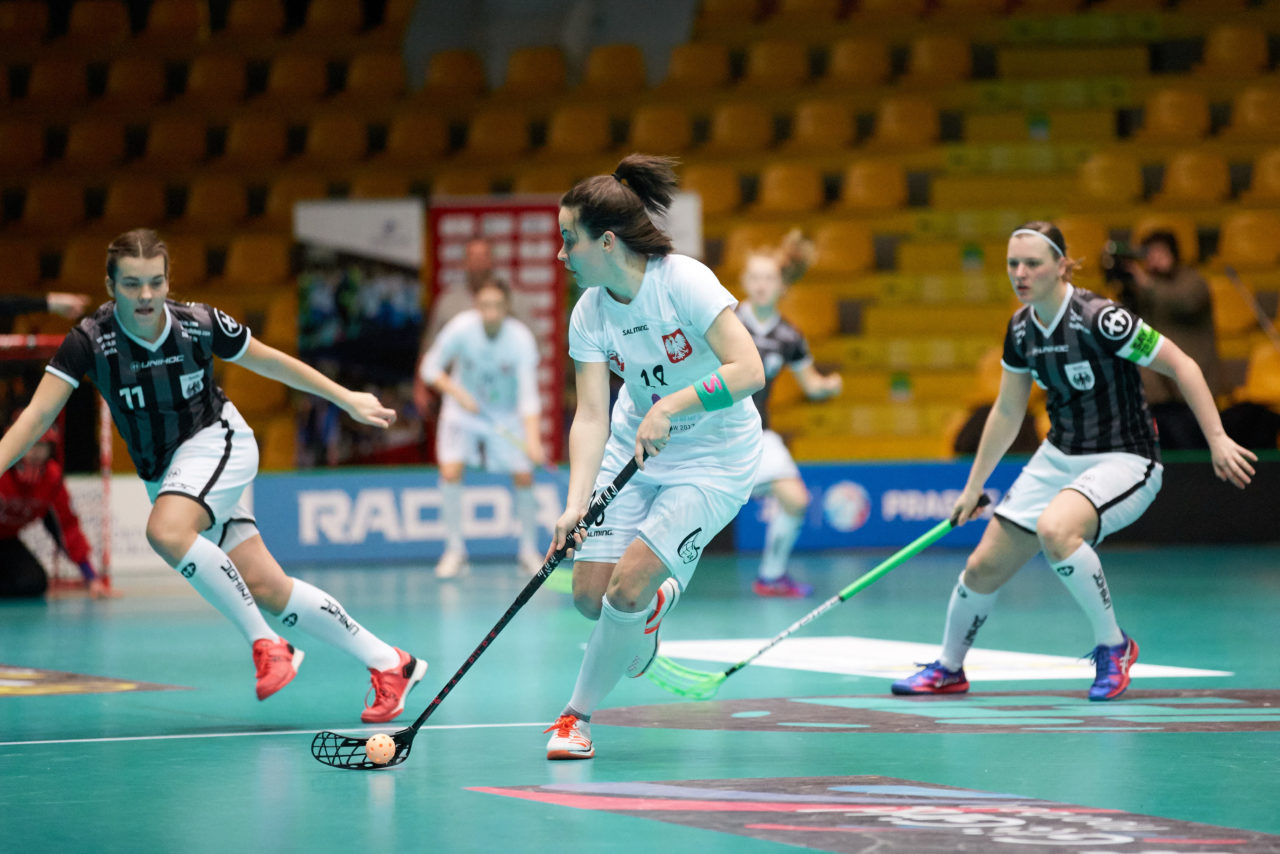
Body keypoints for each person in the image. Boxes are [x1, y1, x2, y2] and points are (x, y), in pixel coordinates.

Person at [0, 229, 427, 722]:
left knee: (166, 531)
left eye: (155, 282)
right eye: (132, 284)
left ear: (168, 282)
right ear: (111, 286)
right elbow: (37, 416)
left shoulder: (198, 324)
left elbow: (271, 361)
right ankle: (391, 663)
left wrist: (345, 397)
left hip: (218, 442)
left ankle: (269, 645)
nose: (145, 295)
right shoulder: (90, 341)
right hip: (167, 474)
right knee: (268, 586)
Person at [892, 221, 1255, 702]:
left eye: (1032, 263)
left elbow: (1181, 364)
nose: (1020, 273)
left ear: (1062, 266)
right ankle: (949, 669)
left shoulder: (1101, 318)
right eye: (1013, 264)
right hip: (1061, 454)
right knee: (981, 568)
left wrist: (1217, 437)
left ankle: (1114, 646)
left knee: (1057, 530)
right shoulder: (1021, 329)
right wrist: (973, 486)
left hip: (1125, 457)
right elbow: (1007, 411)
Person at [543, 155, 765, 760]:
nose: (561, 255)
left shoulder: (683, 282)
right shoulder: (589, 312)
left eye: (569, 239)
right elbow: (591, 415)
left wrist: (673, 405)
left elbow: (749, 369)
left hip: (714, 456)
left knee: (626, 588)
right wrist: (575, 504)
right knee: (590, 596)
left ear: (606, 241)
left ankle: (574, 718)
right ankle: (652, 610)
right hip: (634, 446)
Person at [419, 273, 546, 578]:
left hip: (504, 415)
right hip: (462, 411)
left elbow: (529, 397)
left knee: (524, 475)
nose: (490, 312)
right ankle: (455, 551)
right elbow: (429, 368)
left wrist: (533, 441)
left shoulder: (520, 340)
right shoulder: (461, 328)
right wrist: (456, 392)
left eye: (496, 305)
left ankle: (528, 551)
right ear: (477, 305)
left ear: (506, 307)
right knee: (451, 472)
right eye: (484, 305)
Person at [737, 231, 841, 598]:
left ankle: (771, 576)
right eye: (755, 277)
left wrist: (829, 386)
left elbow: (811, 385)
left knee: (795, 500)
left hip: (758, 432)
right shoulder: (727, 322)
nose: (761, 285)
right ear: (744, 282)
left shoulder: (789, 337)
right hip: (715, 432)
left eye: (768, 278)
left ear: (782, 286)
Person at [1120, 230, 1223, 450]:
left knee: (1193, 450)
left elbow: (1187, 303)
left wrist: (1146, 283)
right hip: (1158, 392)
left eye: (1160, 252)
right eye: (1149, 253)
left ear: (1174, 253)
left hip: (1191, 385)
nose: (1154, 258)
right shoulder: (1143, 288)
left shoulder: (1191, 280)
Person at [0, 412, 108, 599]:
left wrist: (91, 578)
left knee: (33, 582)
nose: (35, 453)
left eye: (42, 446)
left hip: (6, 541)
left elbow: (67, 527)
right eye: (30, 445)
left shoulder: (51, 478)